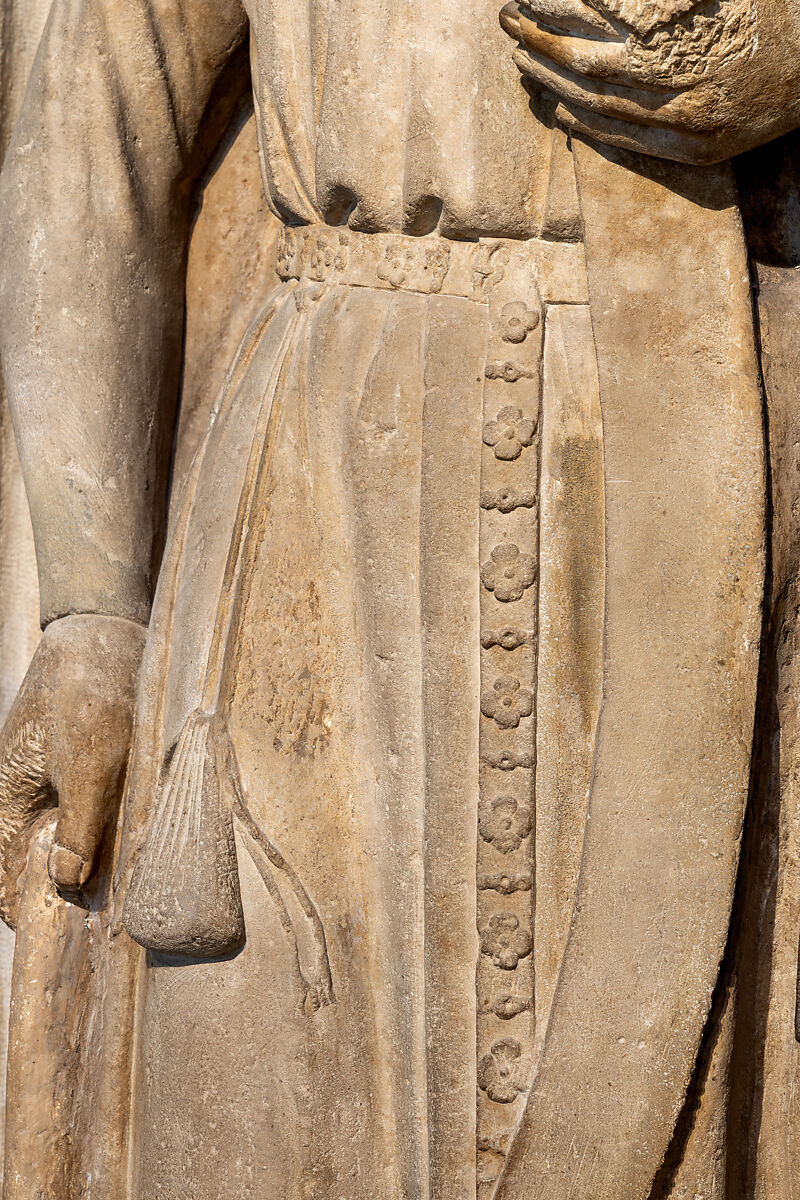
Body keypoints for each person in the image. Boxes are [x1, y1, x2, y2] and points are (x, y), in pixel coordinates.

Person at [0, 0, 798, 1196]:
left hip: (681, 440)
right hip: (317, 481)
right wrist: (90, 612)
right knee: (265, 1083)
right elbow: (91, 124)